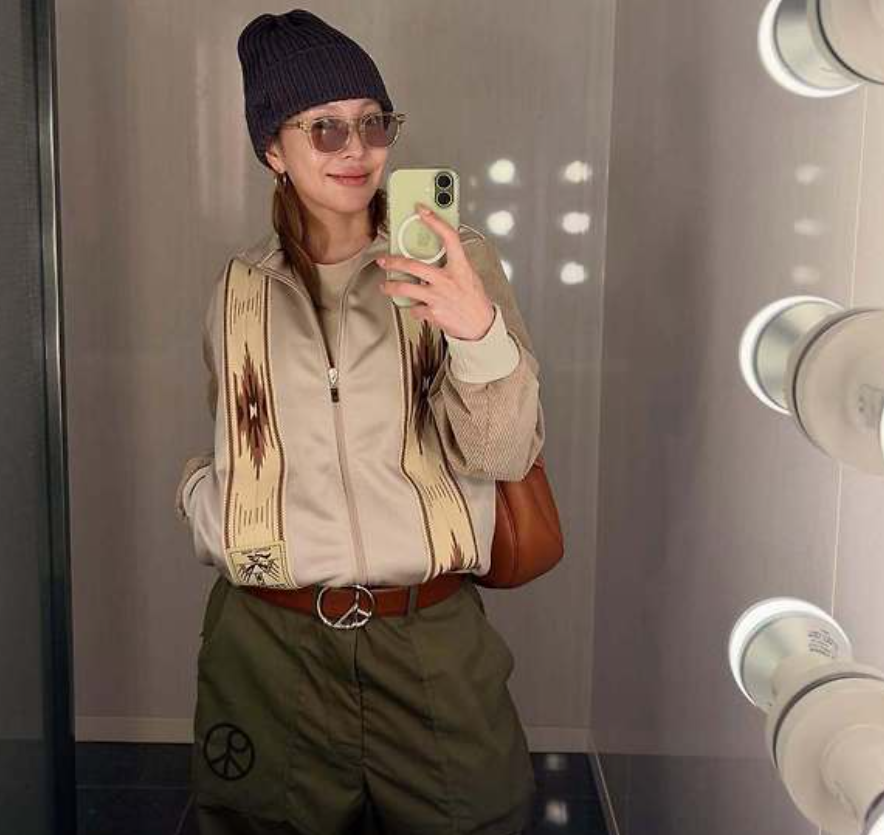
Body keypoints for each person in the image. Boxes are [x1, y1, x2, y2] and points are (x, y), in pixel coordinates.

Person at [174, 9, 546, 835]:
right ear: (273, 148)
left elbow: (501, 451)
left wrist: (477, 332)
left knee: (478, 819)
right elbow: (238, 446)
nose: (357, 148)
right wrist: (210, 509)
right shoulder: (238, 288)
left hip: (428, 633)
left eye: (373, 122)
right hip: (268, 642)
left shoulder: (455, 262)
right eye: (325, 127)